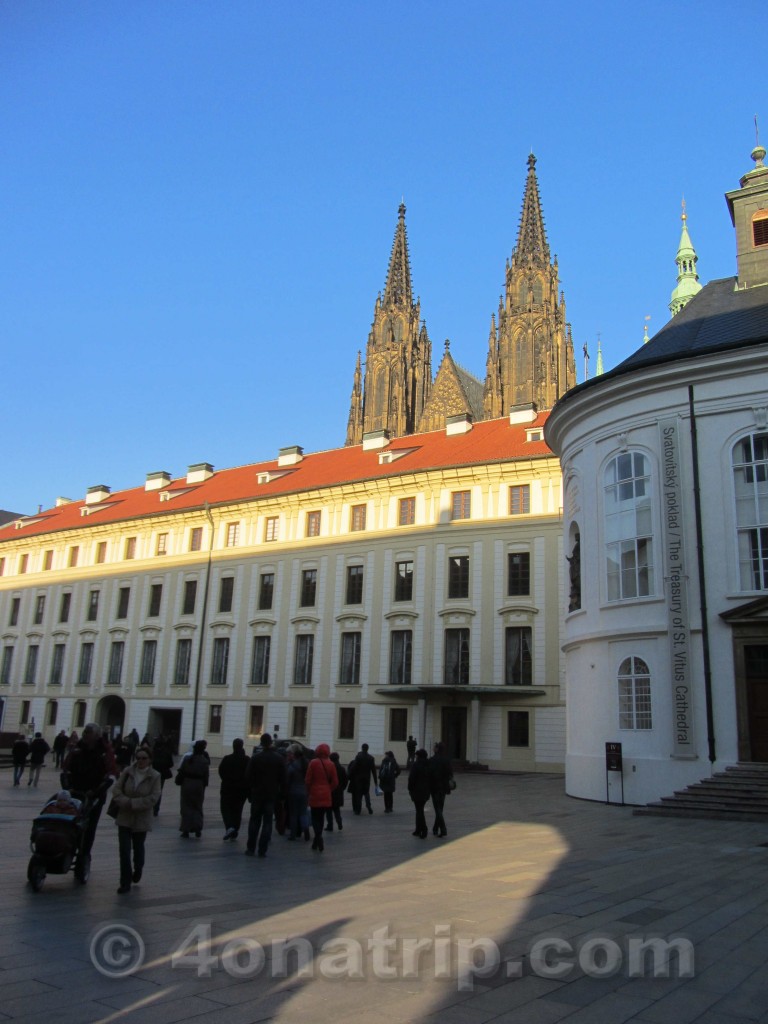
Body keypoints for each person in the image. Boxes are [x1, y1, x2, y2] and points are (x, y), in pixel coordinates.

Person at [62, 723, 116, 862]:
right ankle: (69, 847)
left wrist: (96, 791)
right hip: (75, 792)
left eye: (88, 732)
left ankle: (84, 853)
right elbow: (66, 767)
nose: (85, 734)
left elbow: (111, 773)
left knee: (89, 826)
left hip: (94, 795)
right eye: (85, 732)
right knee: (71, 821)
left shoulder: (104, 750)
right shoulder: (77, 748)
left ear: (97, 736)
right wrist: (68, 787)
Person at [111, 748, 161, 894]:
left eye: (144, 758)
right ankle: (125, 881)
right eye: (138, 757)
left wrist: (134, 803)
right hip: (125, 816)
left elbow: (154, 797)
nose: (140, 760)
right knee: (124, 850)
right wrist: (125, 801)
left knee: (138, 848)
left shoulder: (155, 776)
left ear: (150, 760)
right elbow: (116, 790)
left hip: (141, 818)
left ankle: (138, 868)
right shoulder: (128, 772)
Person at [245, 733, 286, 858]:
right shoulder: (279, 759)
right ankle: (262, 849)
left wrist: (250, 792)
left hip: (257, 793)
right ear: (270, 743)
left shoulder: (256, 758)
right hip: (271, 794)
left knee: (254, 821)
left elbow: (248, 776)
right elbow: (283, 779)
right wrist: (281, 795)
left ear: (261, 743)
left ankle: (251, 848)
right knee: (267, 822)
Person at [305, 743, 338, 852]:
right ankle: (317, 839)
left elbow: (308, 780)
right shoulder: (331, 764)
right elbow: (335, 782)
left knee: (315, 818)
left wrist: (309, 790)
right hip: (326, 794)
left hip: (314, 793)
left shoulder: (313, 763)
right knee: (321, 817)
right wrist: (329, 789)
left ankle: (318, 837)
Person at [218, 738, 249, 840]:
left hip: (228, 788)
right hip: (241, 789)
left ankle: (230, 827)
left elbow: (221, 771)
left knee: (225, 808)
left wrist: (227, 780)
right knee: (238, 810)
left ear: (233, 746)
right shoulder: (246, 759)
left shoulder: (227, 759)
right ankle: (235, 830)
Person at [177, 739, 209, 838]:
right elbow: (206, 776)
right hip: (198, 784)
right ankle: (197, 828)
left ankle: (185, 829)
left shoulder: (188, 759)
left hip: (187, 783)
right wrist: (204, 785)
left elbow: (181, 771)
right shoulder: (204, 761)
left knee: (186, 807)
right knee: (197, 806)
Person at [285, 744, 310, 841]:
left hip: (293, 791)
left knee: (293, 814)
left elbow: (287, 779)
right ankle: (306, 829)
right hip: (304, 791)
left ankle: (293, 834)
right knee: (303, 813)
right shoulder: (307, 763)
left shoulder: (292, 765)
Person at [429, 741, 454, 838]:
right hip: (444, 787)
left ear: (437, 749)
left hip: (435, 787)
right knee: (440, 808)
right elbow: (450, 773)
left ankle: (443, 829)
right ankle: (435, 828)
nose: (433, 749)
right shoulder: (446, 760)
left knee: (437, 808)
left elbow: (429, 773)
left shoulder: (432, 760)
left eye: (434, 747)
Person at [407, 748, 431, 838]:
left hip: (417, 791)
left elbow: (411, 778)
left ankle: (424, 829)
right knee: (419, 810)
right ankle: (418, 829)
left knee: (419, 810)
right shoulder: (428, 764)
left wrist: (410, 789)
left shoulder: (416, 765)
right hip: (426, 791)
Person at [348, 742, 378, 815]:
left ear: (362, 748)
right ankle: (368, 806)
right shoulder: (371, 758)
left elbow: (353, 767)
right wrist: (376, 782)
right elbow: (374, 771)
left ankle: (358, 810)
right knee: (366, 793)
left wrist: (349, 776)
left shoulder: (358, 756)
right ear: (367, 749)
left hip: (358, 779)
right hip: (367, 779)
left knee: (359, 794)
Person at [150, 737, 174, 816]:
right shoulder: (167, 752)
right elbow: (171, 764)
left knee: (150, 790)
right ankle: (156, 809)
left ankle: (150, 807)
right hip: (162, 774)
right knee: (158, 791)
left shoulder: (153, 752)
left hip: (152, 774)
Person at [325, 752, 347, 832]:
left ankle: (330, 825)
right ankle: (339, 823)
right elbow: (345, 780)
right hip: (338, 792)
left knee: (328, 810)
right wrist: (342, 788)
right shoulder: (342, 768)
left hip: (330, 791)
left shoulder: (329, 768)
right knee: (336, 810)